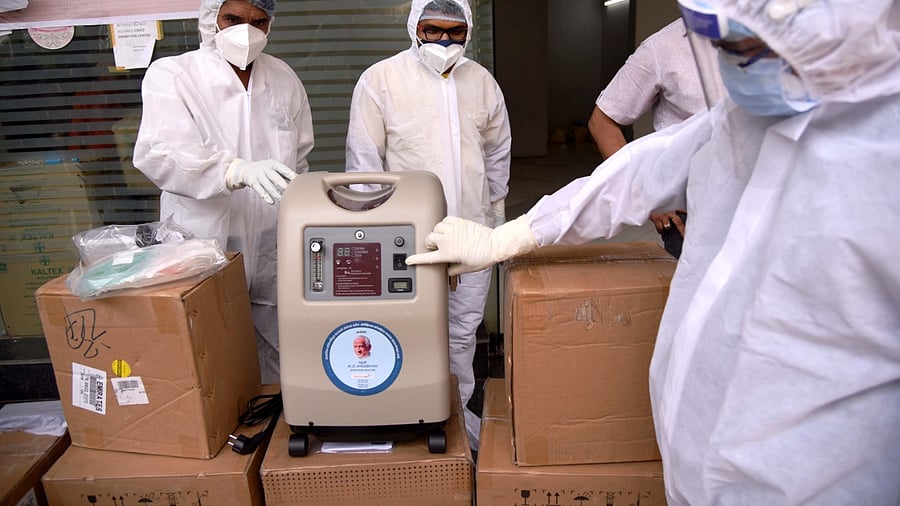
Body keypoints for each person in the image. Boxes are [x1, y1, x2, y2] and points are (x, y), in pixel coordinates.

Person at [408, 0, 900, 502]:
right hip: (691, 474)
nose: (738, 64)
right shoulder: (742, 122)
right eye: (723, 46)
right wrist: (510, 235)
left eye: (751, 45)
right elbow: (636, 175)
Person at [344, 0, 511, 451]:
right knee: (405, 327)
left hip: (471, 232)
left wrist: (494, 219)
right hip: (407, 238)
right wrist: (371, 238)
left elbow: (497, 154)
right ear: (413, 27)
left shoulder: (481, 82)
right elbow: (363, 166)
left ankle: (455, 420)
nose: (443, 41)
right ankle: (408, 415)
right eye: (431, 30)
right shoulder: (381, 80)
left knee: (462, 331)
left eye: (454, 32)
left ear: (469, 31)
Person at [133, 0, 314, 384]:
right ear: (210, 18)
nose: (245, 31)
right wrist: (234, 170)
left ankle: (280, 428)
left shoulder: (283, 78)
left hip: (273, 242)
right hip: (203, 242)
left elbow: (299, 161)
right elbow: (159, 154)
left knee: (286, 348)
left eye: (258, 22)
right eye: (232, 19)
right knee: (208, 351)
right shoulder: (175, 75)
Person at [588, 17, 724, 258]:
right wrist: (645, 192)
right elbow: (602, 122)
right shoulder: (661, 48)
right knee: (700, 294)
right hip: (690, 214)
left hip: (764, 203)